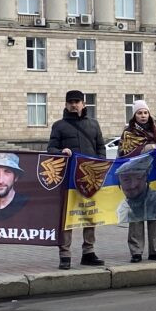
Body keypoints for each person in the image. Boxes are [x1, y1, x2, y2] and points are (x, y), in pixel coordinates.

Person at [47, 89, 106, 270]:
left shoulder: (93, 125)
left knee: (90, 215)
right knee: (67, 218)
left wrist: (100, 168)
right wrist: (60, 152)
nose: (74, 104)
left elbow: (101, 148)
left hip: (89, 180)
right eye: (71, 102)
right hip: (68, 180)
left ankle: (89, 252)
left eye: (77, 101)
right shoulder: (59, 126)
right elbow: (51, 148)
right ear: (66, 104)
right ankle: (65, 255)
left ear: (83, 104)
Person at [117, 100, 156, 262]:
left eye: (145, 112)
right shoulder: (128, 133)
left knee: (155, 214)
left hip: (154, 176)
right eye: (140, 113)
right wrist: (146, 149)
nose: (143, 116)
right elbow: (124, 153)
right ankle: (136, 251)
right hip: (134, 178)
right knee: (136, 215)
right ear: (134, 115)